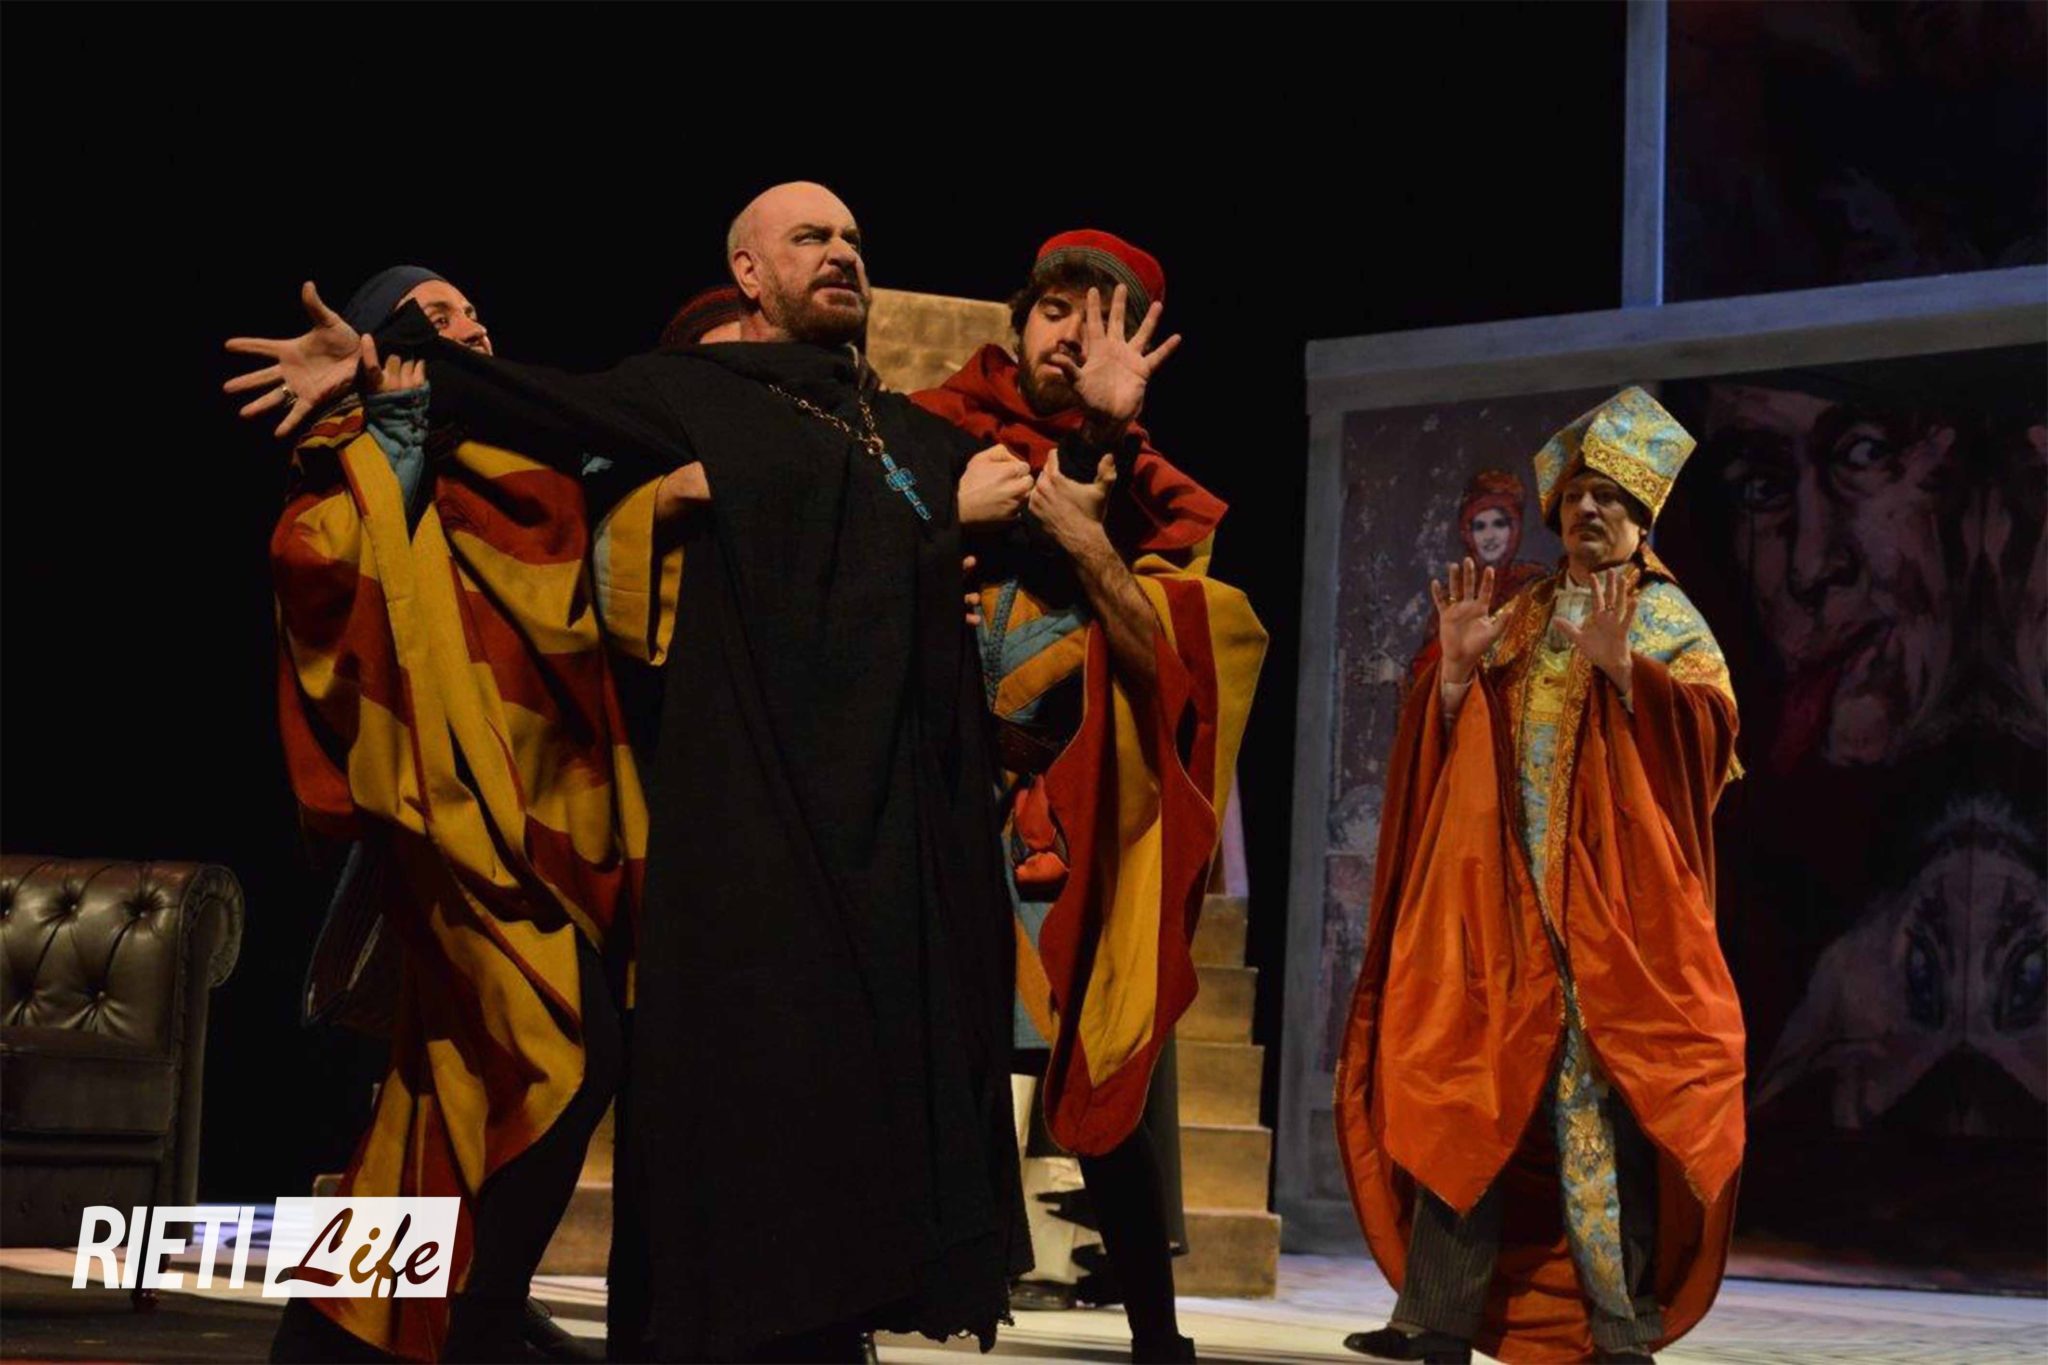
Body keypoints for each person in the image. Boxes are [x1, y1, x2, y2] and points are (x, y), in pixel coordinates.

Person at [225, 183, 1171, 1362]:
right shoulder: (478, 449)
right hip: (468, 814)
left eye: (851, 236)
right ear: (747, 274)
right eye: (431, 319)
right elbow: (387, 568)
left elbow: (618, 572)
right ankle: (418, 1317)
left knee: (494, 1082)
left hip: (586, 813)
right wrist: (387, 406)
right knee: (530, 1063)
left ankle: (403, 1312)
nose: (463, 330)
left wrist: (1080, 439)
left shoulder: (823, 435)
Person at [262, 267, 666, 1364]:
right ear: (384, 346)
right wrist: (392, 439)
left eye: (476, 313)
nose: (470, 327)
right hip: (446, 817)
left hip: (557, 810)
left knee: (439, 1091)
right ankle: (481, 1318)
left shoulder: (534, 459)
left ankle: (336, 1330)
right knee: (566, 1052)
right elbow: (323, 571)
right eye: (437, 318)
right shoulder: (356, 459)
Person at [1334, 388, 1747, 1364]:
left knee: (1595, 1111)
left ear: (1642, 515)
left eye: (1610, 496)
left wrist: (1628, 673)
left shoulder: (1665, 619)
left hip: (1605, 922)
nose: (1587, 508)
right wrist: (1451, 679)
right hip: (1499, 911)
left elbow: (1711, 745)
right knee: (1464, 1092)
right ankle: (1436, 1320)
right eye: (1576, 495)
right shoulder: (1518, 610)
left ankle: (1619, 1329)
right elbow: (1448, 750)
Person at [910, 230, 1264, 1365]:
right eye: (1058, 308)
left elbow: (1179, 668)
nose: (1074, 334)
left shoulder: (1153, 497)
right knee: (907, 1058)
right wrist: (947, 524)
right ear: (1018, 322)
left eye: (1106, 317)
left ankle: (1156, 1335)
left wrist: (1086, 521)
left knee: (1096, 1064)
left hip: (1066, 812)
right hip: (924, 801)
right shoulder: (925, 433)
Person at [1408, 469, 1548, 683]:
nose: (1490, 536)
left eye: (1499, 524)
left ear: (1514, 529)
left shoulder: (1535, 587)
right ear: (1468, 533)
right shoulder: (1455, 596)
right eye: (1480, 526)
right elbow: (1426, 677)